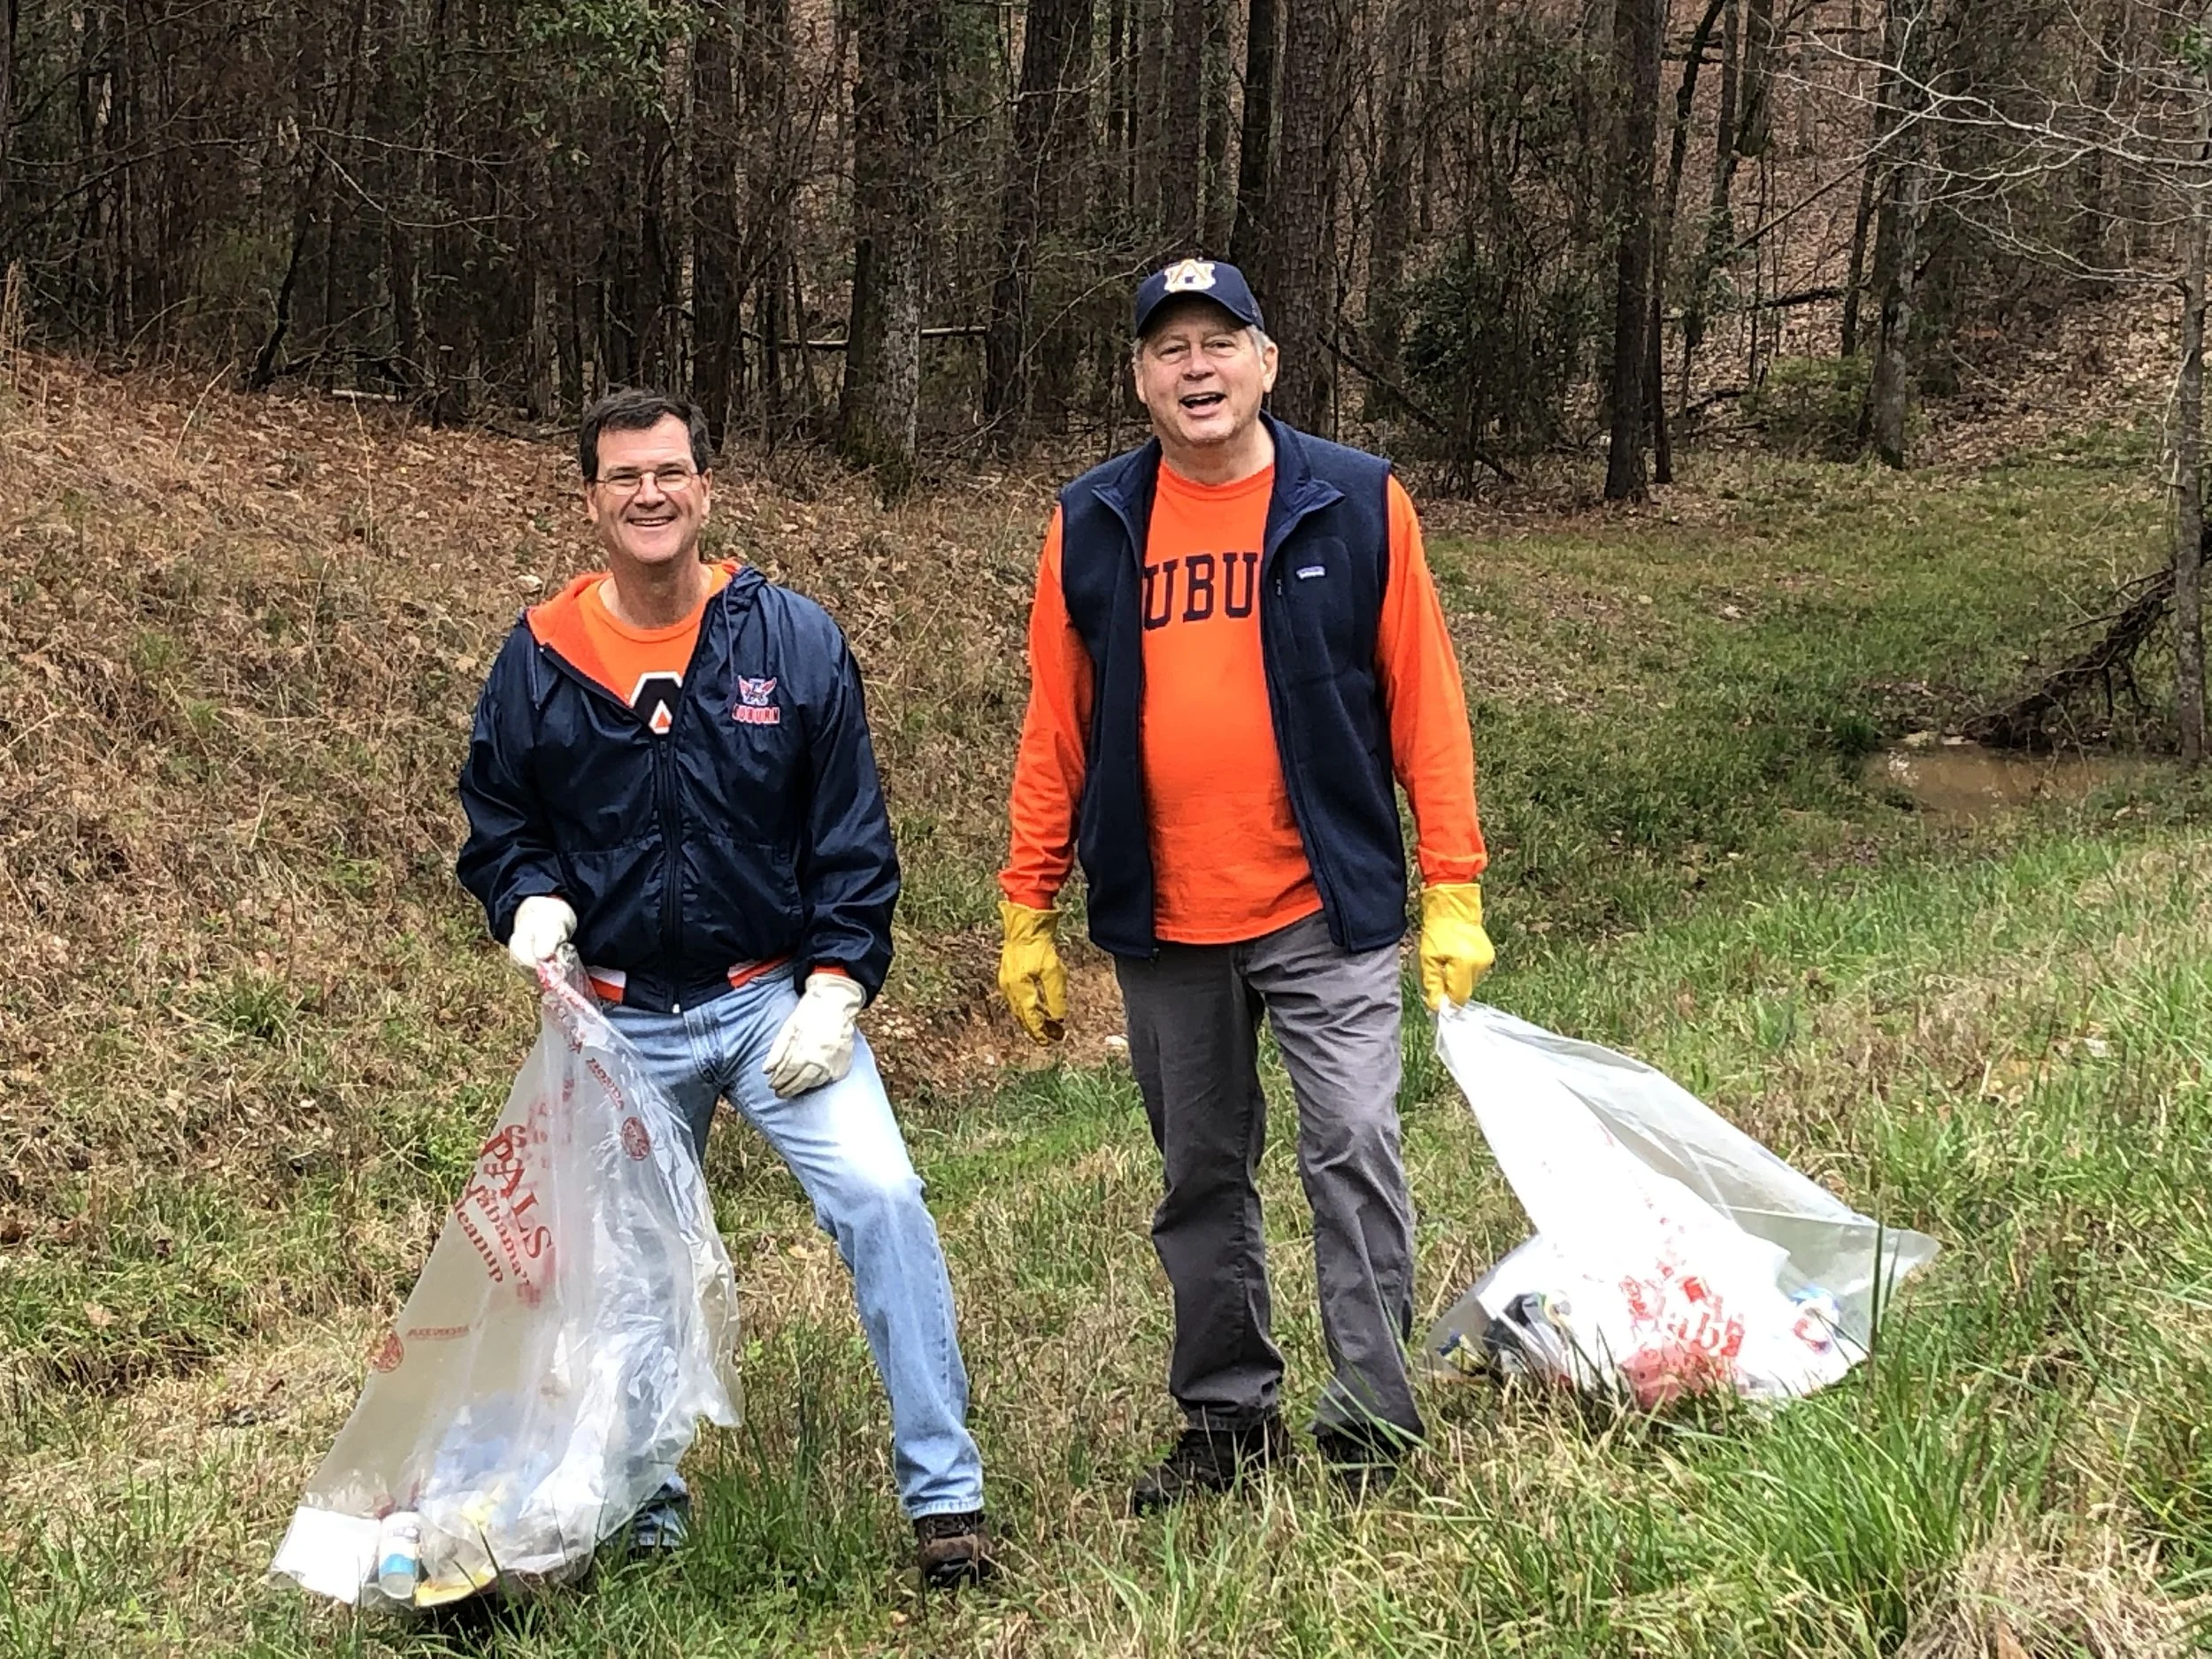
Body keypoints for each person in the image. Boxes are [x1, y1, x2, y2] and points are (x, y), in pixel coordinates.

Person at [456, 387, 992, 1586]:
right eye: (623, 477)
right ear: (590, 501)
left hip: (772, 1004)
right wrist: (526, 896)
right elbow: (498, 820)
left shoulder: (791, 640)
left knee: (887, 1199)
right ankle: (648, 1502)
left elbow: (852, 836)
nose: (650, 493)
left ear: (705, 486)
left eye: (670, 470)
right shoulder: (540, 657)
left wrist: (840, 983)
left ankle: (947, 1498)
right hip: (620, 1014)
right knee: (630, 1265)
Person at [995, 259, 1494, 1510]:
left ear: (1268, 362)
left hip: (1325, 902)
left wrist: (1454, 883)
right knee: (1199, 1177)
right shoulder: (1094, 522)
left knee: (1356, 1146)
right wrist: (1026, 904)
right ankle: (1227, 1419)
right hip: (1166, 916)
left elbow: (1426, 700)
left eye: (1222, 340)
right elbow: (1058, 724)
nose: (1197, 367)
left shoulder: (1359, 501)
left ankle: (1374, 1414)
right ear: (1139, 380)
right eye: (1171, 349)